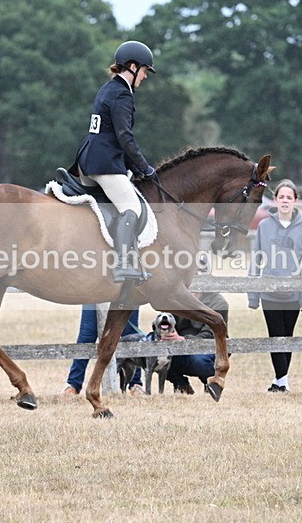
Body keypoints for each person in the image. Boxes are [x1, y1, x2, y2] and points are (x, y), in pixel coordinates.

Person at [74, 40, 159, 283]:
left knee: (113, 207)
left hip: (88, 159)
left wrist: (133, 168)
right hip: (104, 163)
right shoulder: (122, 94)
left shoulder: (107, 88)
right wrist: (145, 167)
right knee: (131, 207)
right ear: (132, 67)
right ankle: (123, 265)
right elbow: (124, 137)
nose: (144, 77)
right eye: (144, 71)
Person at [248, 179, 302, 393]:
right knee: (275, 336)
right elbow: (256, 260)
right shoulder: (264, 226)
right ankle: (282, 381)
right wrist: (253, 295)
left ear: (295, 201)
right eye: (281, 197)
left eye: (289, 197)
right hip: (270, 293)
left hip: (294, 294)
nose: (285, 201)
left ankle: (280, 381)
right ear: (275, 200)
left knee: (287, 337)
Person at [165, 254, 230, 394]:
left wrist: (183, 340)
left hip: (206, 349)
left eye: (200, 273)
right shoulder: (178, 298)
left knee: (198, 361)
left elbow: (209, 335)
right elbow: (169, 323)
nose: (195, 277)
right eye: (192, 273)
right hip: (180, 347)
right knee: (157, 353)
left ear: (209, 276)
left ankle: (209, 380)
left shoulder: (219, 303)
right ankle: (180, 384)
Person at [62, 304, 144, 395]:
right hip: (94, 294)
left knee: (130, 335)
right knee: (86, 335)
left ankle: (135, 384)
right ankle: (74, 384)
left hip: (127, 293)